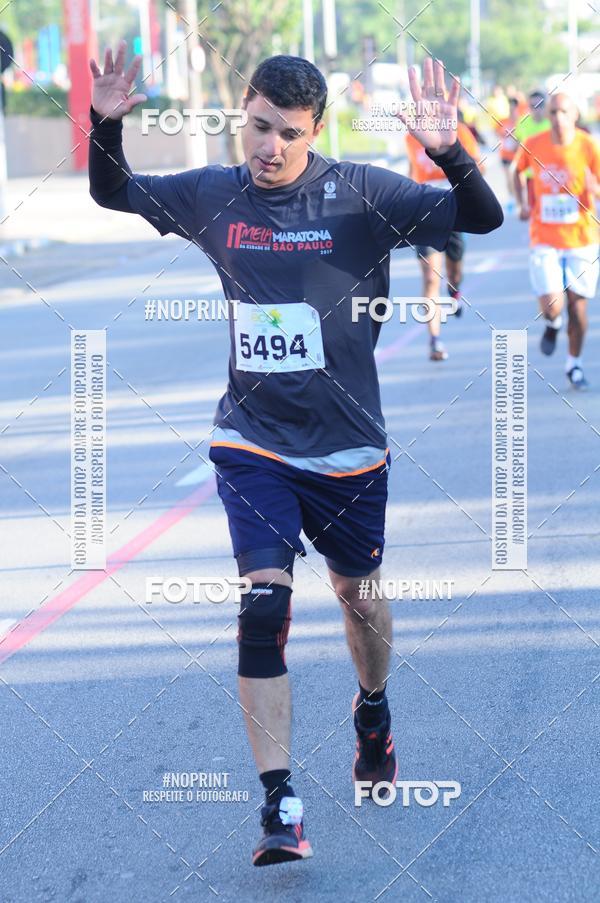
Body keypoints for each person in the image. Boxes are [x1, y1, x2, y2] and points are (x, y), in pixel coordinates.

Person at [88, 43, 503, 866]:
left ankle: (373, 707)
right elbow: (114, 190)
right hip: (253, 443)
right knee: (262, 607)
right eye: (258, 126)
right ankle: (280, 803)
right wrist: (104, 123)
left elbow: (482, 218)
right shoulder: (214, 193)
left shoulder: (364, 195)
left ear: (315, 131)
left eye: (288, 132)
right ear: (242, 117)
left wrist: (449, 151)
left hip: (348, 451)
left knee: (358, 597)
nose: (269, 146)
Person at [514, 92, 600, 389]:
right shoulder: (534, 144)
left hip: (581, 237)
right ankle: (552, 323)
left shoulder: (589, 145)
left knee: (578, 308)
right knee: (553, 305)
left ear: (575, 114)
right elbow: (517, 172)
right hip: (545, 236)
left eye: (564, 112)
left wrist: (594, 189)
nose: (558, 118)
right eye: (553, 112)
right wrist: (523, 204)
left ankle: (574, 365)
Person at [405, 115, 484, 359]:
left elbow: (478, 166)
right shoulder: (411, 136)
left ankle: (454, 291)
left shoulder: (458, 130)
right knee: (431, 278)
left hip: (454, 211)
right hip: (424, 212)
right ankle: (435, 340)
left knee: (454, 273)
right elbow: (413, 169)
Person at [495, 95, 521, 210]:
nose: (512, 109)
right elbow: (497, 132)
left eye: (514, 107)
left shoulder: (521, 121)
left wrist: (517, 141)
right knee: (509, 178)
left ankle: (519, 199)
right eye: (510, 106)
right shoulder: (503, 121)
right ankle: (512, 199)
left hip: (517, 155)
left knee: (517, 179)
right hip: (505, 154)